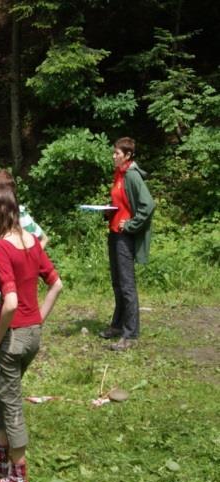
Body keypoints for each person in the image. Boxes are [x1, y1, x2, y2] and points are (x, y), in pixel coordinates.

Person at [0, 187, 62, 482]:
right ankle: (1, 460)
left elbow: (10, 302)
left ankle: (18, 478)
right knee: (3, 393)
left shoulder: (2, 247)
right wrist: (37, 319)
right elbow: (57, 284)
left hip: (12, 340)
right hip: (32, 337)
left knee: (11, 406)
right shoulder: (30, 241)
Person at [0, 170, 48, 410]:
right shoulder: (8, 219)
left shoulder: (20, 218)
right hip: (3, 297)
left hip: (8, 302)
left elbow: (41, 239)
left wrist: (26, 270)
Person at [100, 137, 155, 352]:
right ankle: (117, 325)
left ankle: (130, 334)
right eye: (114, 152)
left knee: (127, 285)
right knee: (117, 282)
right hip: (114, 232)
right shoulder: (119, 173)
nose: (114, 156)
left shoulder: (132, 175)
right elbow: (121, 203)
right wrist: (108, 211)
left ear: (128, 155)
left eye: (117, 153)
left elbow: (148, 205)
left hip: (125, 236)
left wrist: (131, 225)